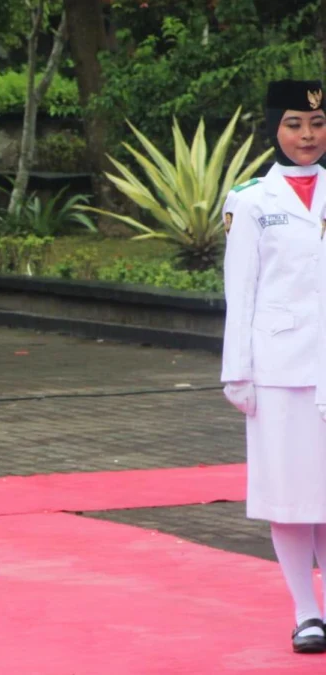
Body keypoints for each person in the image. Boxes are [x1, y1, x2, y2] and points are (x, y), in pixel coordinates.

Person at [225, 79, 326, 653]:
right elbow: (240, 291)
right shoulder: (251, 199)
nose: (306, 136)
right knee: (289, 497)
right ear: (274, 128)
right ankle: (306, 612)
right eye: (293, 124)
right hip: (281, 367)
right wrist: (236, 370)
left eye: (316, 123)